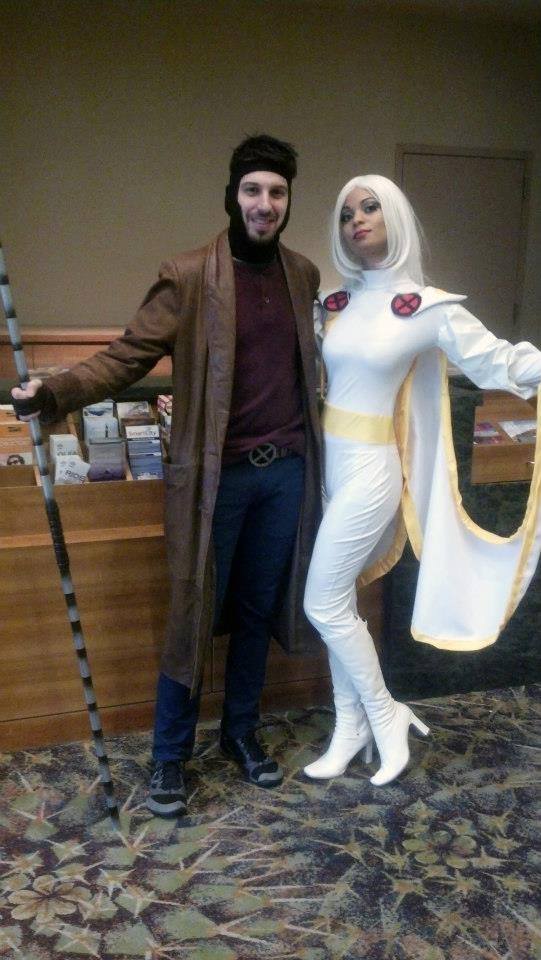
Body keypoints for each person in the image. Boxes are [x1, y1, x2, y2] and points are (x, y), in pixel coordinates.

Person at [11, 134, 322, 817]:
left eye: (276, 192)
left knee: (256, 609)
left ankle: (240, 732)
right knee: (191, 612)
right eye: (252, 190)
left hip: (284, 474)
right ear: (232, 195)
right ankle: (169, 755)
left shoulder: (302, 275)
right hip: (216, 480)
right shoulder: (189, 276)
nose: (264, 203)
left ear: (287, 201)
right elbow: (126, 356)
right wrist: (55, 392)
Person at [303, 174, 541, 787]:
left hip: (372, 470)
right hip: (328, 468)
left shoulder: (429, 308)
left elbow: (500, 361)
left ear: (396, 216)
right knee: (337, 600)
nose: (356, 220)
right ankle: (349, 726)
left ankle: (384, 714)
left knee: (321, 602)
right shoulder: (333, 304)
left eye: (370, 208)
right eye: (346, 213)